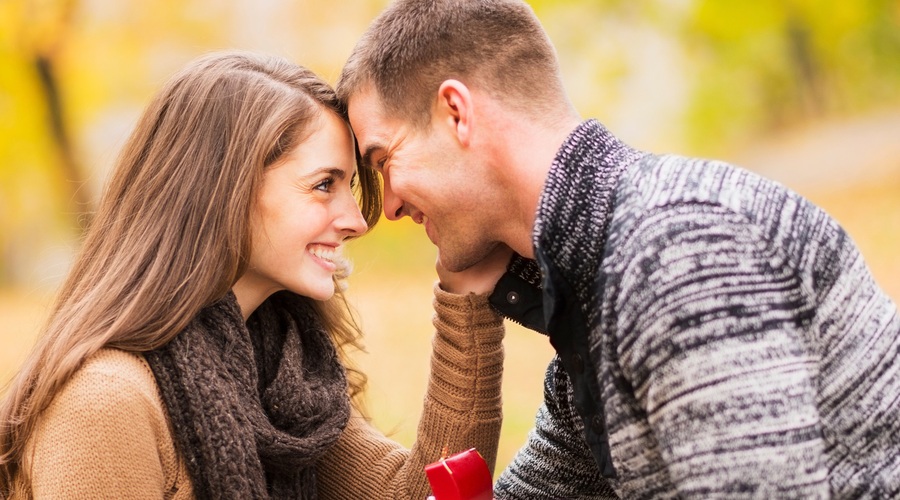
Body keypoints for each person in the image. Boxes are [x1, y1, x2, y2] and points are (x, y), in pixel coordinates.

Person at [336, 0, 900, 498]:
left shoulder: (679, 253)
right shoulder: (592, 286)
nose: (388, 208)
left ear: (456, 112)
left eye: (385, 161)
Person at [0, 50, 508, 499]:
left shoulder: (282, 377)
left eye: (350, 186)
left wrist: (469, 294)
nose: (356, 220)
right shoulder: (105, 404)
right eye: (323, 184)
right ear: (225, 192)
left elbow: (420, 494)